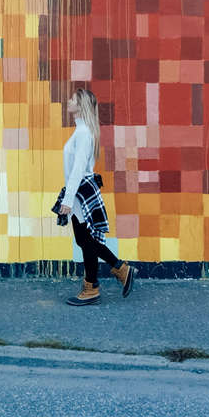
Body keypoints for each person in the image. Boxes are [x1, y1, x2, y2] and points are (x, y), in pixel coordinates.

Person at [52, 85, 134, 306]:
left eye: (72, 99)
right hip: (79, 190)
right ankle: (115, 272)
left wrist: (68, 201)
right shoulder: (82, 131)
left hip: (80, 191)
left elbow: (78, 169)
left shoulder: (84, 133)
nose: (68, 101)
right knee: (84, 239)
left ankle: (97, 283)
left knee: (86, 239)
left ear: (81, 105)